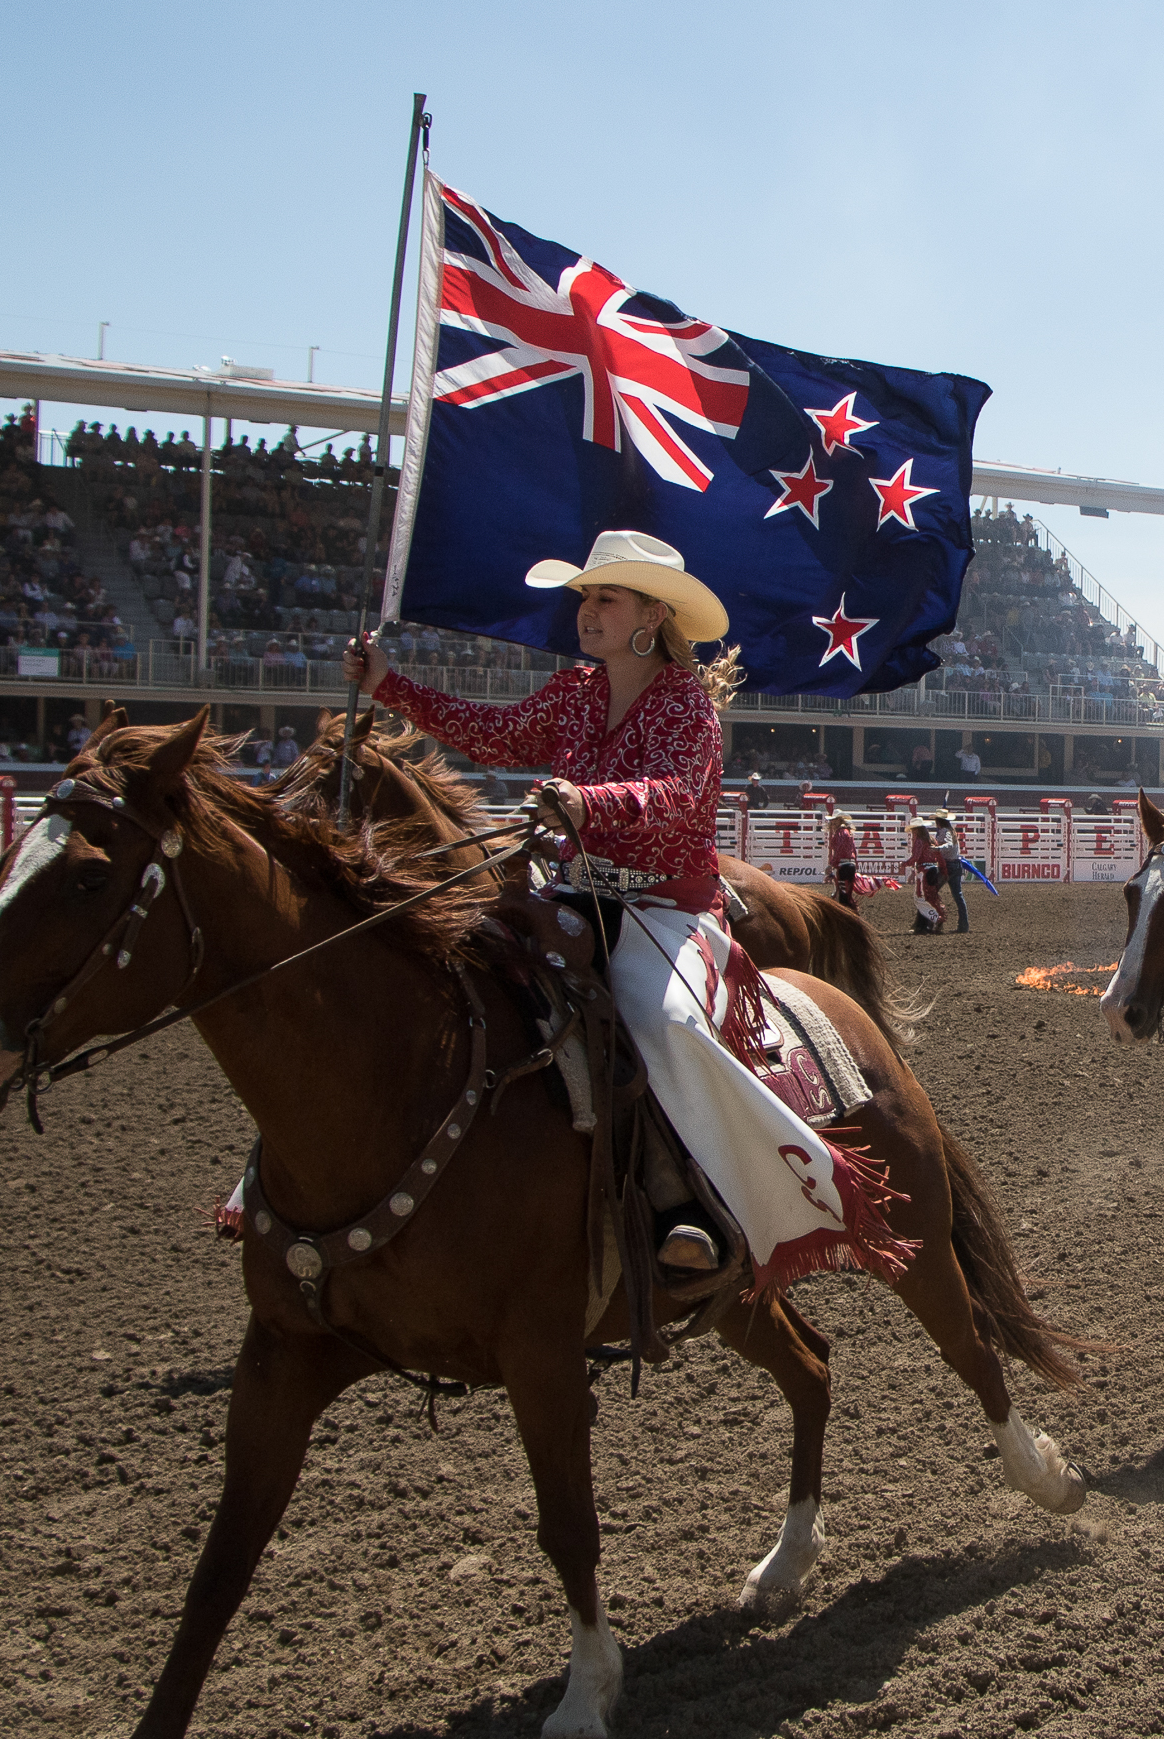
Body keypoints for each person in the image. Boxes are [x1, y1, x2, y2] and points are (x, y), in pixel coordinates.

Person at [345, 529, 895, 1286]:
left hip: (665, 910)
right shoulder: (574, 694)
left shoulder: (686, 707)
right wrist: (388, 684)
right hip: (569, 893)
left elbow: (676, 797)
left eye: (606, 596)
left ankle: (690, 1201)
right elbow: (495, 736)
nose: (587, 609)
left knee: (666, 1023)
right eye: (586, 596)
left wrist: (585, 801)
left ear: (651, 614)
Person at [827, 809, 861, 908]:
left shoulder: (840, 832)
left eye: (834, 821)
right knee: (847, 894)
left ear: (839, 821)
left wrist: (833, 863)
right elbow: (854, 849)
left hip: (843, 867)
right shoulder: (848, 832)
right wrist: (856, 863)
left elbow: (839, 848)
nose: (832, 824)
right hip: (851, 865)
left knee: (842, 895)